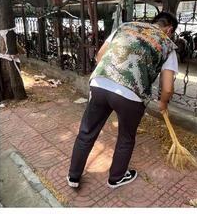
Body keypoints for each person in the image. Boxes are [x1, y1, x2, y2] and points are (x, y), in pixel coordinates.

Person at [67, 12, 178, 189]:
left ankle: (73, 176)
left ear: (154, 22)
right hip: (130, 95)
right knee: (126, 137)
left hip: (100, 83)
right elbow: (167, 88)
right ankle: (116, 177)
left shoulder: (126, 26)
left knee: (86, 131)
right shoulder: (167, 44)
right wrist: (163, 103)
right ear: (169, 29)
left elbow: (100, 56)